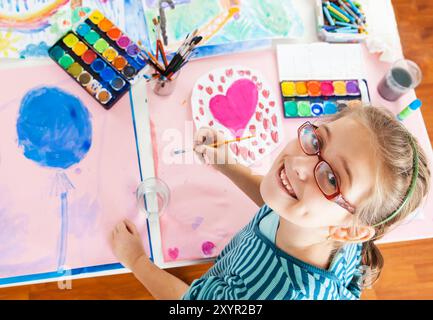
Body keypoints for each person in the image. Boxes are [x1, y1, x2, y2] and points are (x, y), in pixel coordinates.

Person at [111, 106, 430, 300]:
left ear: (349, 231)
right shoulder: (315, 221)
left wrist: (137, 260)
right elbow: (273, 201)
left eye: (332, 180)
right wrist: (227, 164)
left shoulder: (270, 292)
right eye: (317, 141)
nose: (300, 166)